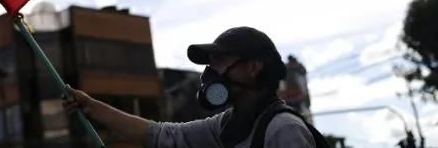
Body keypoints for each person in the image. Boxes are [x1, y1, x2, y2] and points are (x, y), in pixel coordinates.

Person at [63, 26, 321, 148]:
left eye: (220, 61)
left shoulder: (282, 130)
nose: (211, 72)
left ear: (253, 68)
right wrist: (92, 107)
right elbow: (163, 135)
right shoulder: (227, 125)